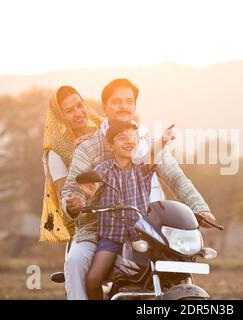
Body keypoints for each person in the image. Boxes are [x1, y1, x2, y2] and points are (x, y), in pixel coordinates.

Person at [61, 78, 215, 299]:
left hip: (146, 226)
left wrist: (199, 208)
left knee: (176, 263)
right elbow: (73, 189)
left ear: (134, 105)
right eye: (116, 101)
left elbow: (176, 178)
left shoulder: (147, 143)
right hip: (99, 228)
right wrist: (76, 203)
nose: (124, 106)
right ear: (104, 107)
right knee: (76, 262)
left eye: (129, 101)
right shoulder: (89, 147)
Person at [84, 120, 175, 299]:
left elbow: (152, 155)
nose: (129, 141)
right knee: (93, 279)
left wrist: (163, 140)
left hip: (140, 237)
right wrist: (87, 195)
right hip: (112, 237)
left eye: (133, 137)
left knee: (161, 271)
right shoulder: (103, 169)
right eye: (122, 138)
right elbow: (91, 189)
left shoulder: (142, 168)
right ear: (110, 146)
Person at [40, 85, 102, 243]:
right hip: (87, 223)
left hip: (120, 215)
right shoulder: (57, 150)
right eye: (69, 111)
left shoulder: (103, 133)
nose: (78, 113)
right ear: (60, 116)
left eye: (80, 105)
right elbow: (66, 196)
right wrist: (77, 156)